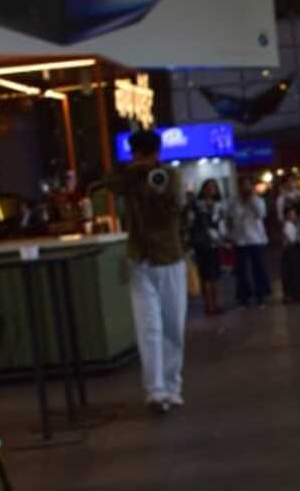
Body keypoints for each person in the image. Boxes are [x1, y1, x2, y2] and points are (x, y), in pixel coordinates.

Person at [91, 128, 187, 414]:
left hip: (168, 255)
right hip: (141, 257)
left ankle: (171, 387)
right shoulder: (130, 176)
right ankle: (156, 391)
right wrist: (133, 171)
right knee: (150, 327)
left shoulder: (169, 175)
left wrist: (154, 182)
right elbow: (107, 182)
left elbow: (175, 206)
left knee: (172, 327)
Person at [186, 176, 227, 316]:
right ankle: (209, 305)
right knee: (206, 276)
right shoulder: (197, 205)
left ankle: (215, 303)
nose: (211, 190)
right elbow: (190, 223)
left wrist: (224, 238)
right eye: (208, 187)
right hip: (202, 244)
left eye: (213, 187)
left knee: (215, 274)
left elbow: (222, 223)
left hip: (215, 243)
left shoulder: (219, 205)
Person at [230, 176, 271, 306]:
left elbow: (262, 214)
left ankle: (260, 295)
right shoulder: (235, 202)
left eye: (247, 185)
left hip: (256, 239)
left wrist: (252, 199)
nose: (244, 188)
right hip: (240, 240)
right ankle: (244, 297)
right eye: (242, 186)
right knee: (242, 270)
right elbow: (232, 218)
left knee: (258, 268)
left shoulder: (257, 200)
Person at [279, 195, 300, 303]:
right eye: (290, 215)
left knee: (297, 272)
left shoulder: (295, 224)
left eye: (293, 214)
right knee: (291, 273)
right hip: (290, 252)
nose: (293, 216)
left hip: (295, 251)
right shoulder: (287, 225)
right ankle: (292, 293)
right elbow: (292, 239)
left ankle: (297, 292)